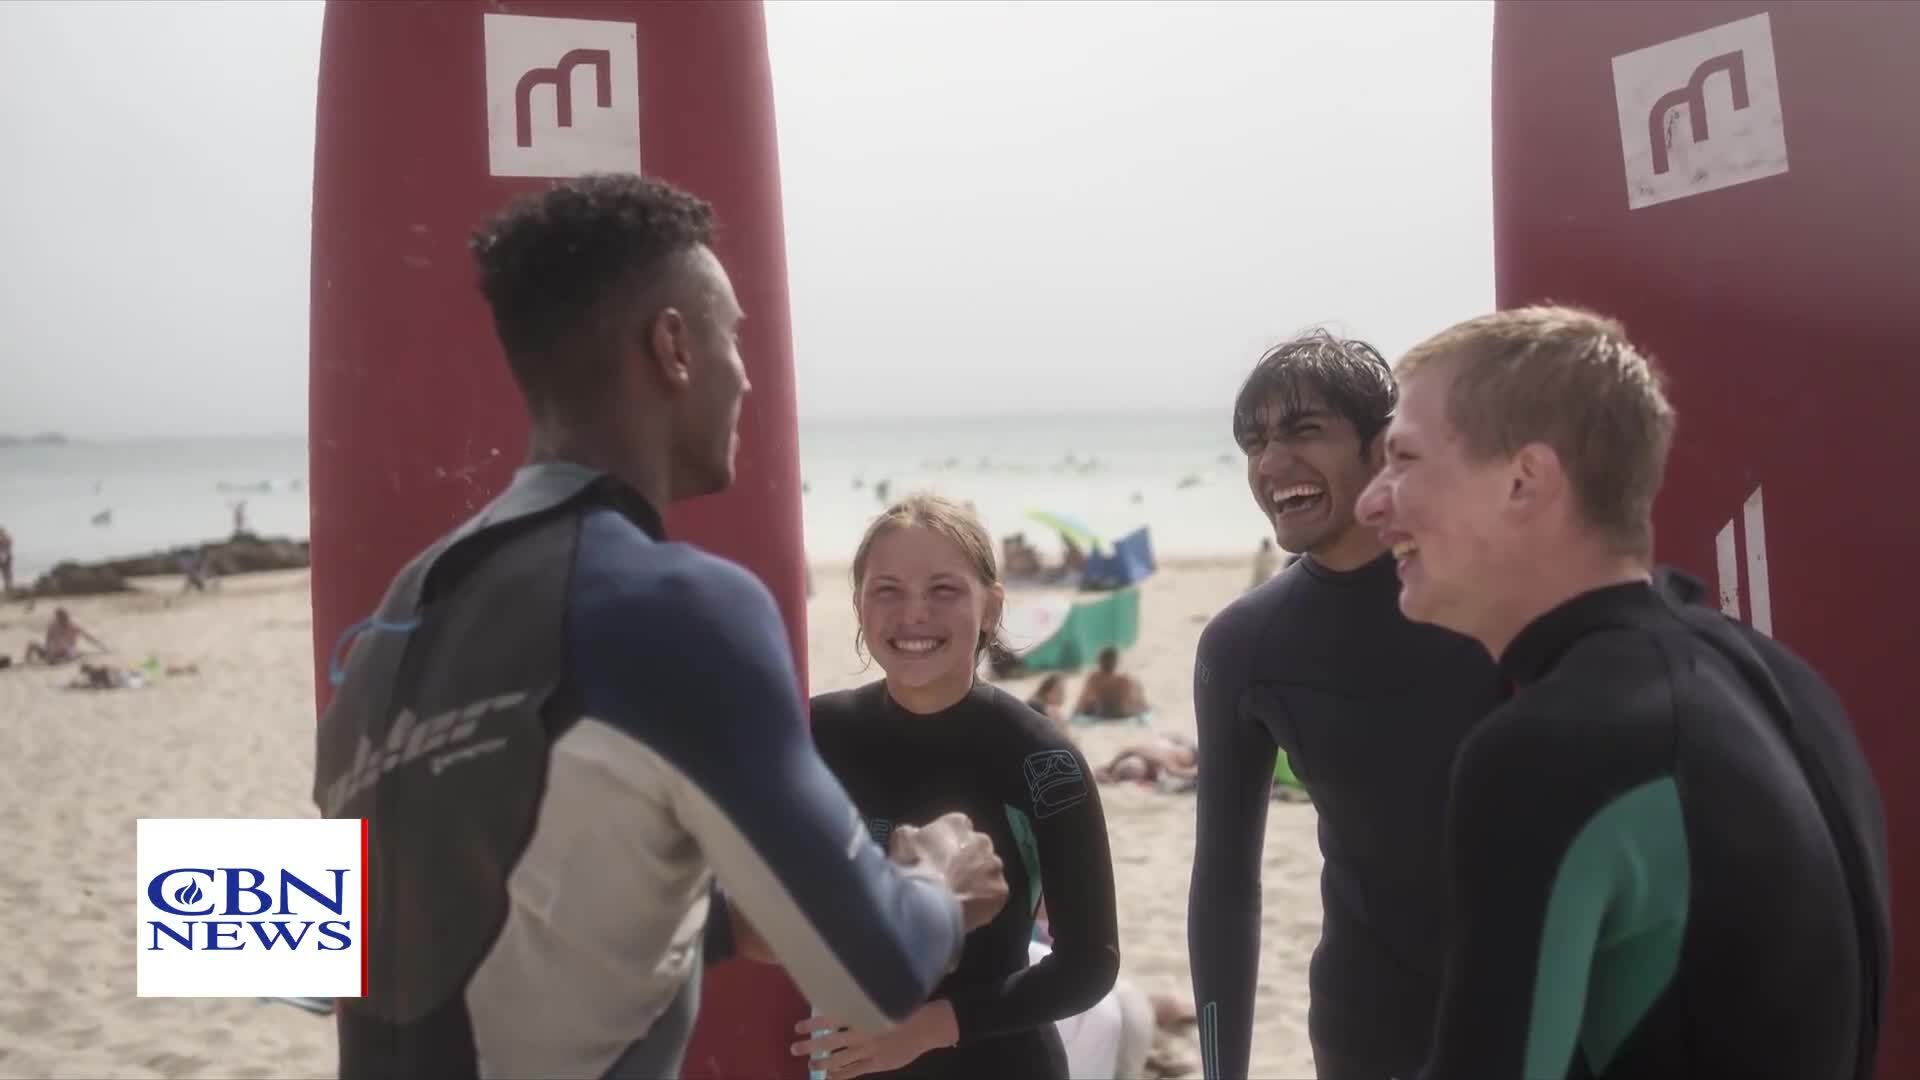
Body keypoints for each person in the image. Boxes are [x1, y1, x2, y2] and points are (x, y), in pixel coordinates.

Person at [313, 175, 1010, 1080]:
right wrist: (942, 886)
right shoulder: (677, 606)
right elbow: (873, 972)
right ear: (674, 346)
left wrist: (706, 916)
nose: (748, 375)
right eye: (734, 338)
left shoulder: (393, 619)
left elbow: (348, 950)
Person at [1355, 306, 1890, 1080]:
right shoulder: (1786, 683)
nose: (1373, 503)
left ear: (1523, 482)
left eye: (1403, 459)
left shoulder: (1554, 746)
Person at [1187, 329, 1506, 1080]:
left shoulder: (1491, 597)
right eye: (1254, 442)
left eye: (1304, 431)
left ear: (1383, 446)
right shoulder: (1245, 644)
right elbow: (1226, 884)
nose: (1271, 464)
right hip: (1369, 1024)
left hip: (1533, 1001)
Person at [797, 494, 1119, 1079]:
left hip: (1000, 1062)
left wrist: (925, 1031)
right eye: (887, 589)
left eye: (944, 589)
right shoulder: (815, 734)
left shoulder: (1039, 759)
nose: (913, 613)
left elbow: (1089, 965)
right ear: (859, 605)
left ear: (991, 607)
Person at [1073, 647, 1148, 720]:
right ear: (1116, 663)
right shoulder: (1123, 680)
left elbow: (1081, 701)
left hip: (1101, 712)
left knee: (1090, 705)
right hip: (1120, 712)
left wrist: (1075, 713)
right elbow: (1137, 703)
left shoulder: (1094, 679)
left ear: (1099, 662)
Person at [26, 607, 106, 664]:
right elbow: (48, 640)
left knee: (68, 652)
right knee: (32, 644)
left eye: (61, 617)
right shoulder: (53, 626)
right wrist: (49, 650)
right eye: (59, 617)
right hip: (53, 650)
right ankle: (28, 662)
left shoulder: (73, 626)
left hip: (67, 651)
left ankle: (55, 659)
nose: (60, 619)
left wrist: (102, 647)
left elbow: (88, 637)